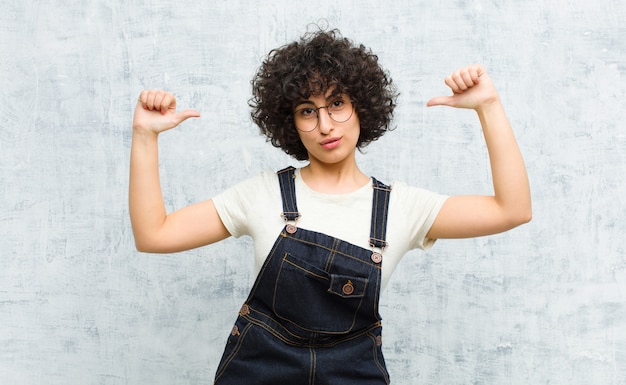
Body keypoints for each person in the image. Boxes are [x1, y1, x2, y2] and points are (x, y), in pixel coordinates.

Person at [129, 29, 531, 384]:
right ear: (288, 122)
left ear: (362, 106)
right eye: (308, 111)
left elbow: (512, 209)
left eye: (337, 103)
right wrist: (145, 135)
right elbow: (154, 235)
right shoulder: (262, 195)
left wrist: (488, 105)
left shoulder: (401, 208)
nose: (325, 125)